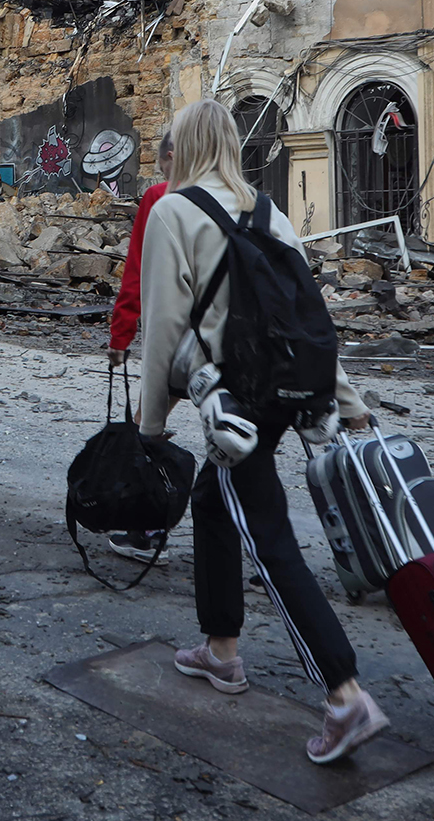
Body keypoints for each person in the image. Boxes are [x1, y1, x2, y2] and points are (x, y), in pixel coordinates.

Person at [136, 98, 389, 766]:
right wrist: (349, 401)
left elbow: (162, 325)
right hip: (290, 392)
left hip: (234, 404)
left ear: (183, 145)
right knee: (215, 503)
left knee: (269, 537)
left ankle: (344, 693)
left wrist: (151, 423)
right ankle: (221, 649)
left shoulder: (171, 209)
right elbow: (308, 316)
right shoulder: (268, 210)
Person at [105, 131, 175, 564]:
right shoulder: (244, 199)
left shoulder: (160, 198)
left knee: (148, 427)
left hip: (177, 344)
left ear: (170, 156)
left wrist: (120, 336)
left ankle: (140, 527)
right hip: (235, 343)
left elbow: (137, 270)